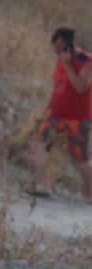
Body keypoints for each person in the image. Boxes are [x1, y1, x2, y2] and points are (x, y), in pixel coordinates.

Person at [30, 27, 92, 202]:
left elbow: (81, 87)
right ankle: (45, 187)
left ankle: (89, 195)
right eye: (54, 46)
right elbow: (58, 86)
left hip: (78, 118)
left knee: (80, 159)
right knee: (38, 144)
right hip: (56, 114)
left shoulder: (86, 60)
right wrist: (47, 109)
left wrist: (67, 65)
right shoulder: (60, 59)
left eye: (58, 46)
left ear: (67, 44)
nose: (55, 50)